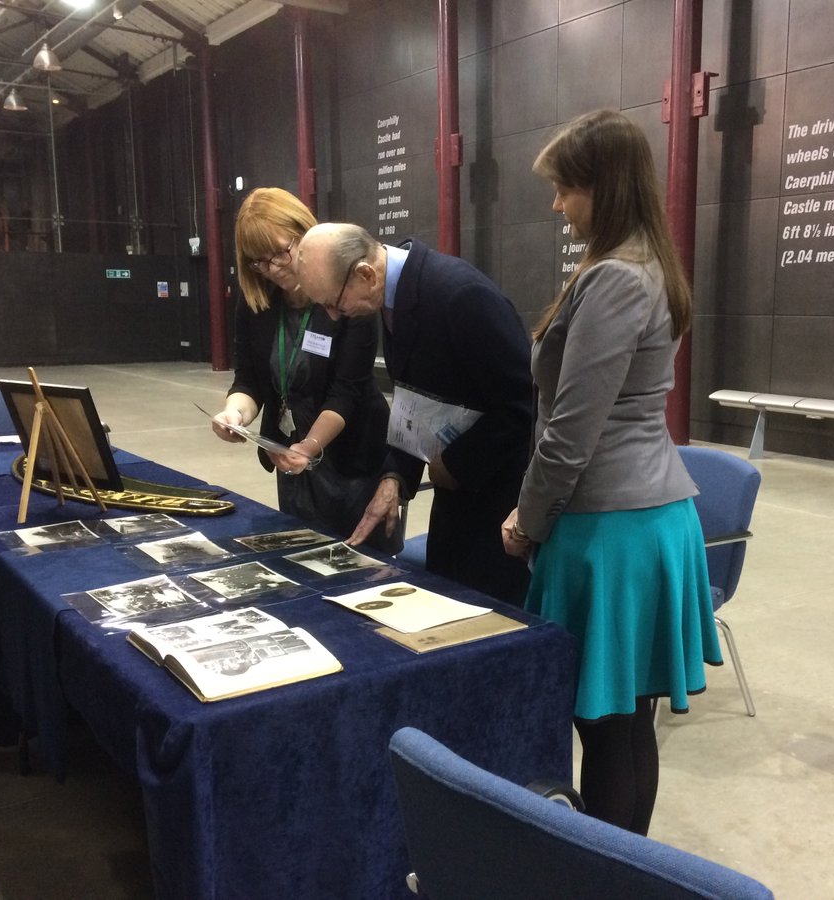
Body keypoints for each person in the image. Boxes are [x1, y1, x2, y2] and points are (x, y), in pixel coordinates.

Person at [500, 109, 723, 834]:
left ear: (605, 187)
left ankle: (611, 873)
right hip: (642, 521)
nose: (556, 205)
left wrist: (527, 520)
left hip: (611, 531)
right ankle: (623, 869)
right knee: (625, 726)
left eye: (565, 189)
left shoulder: (619, 280)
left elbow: (570, 433)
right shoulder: (642, 265)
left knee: (609, 730)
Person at [297, 222, 533, 605]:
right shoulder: (393, 300)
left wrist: (455, 463)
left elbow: (524, 404)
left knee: (487, 622)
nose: (334, 316)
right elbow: (419, 401)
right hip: (455, 500)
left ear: (366, 274)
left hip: (498, 504)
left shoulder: (460, 295)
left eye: (334, 303)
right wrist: (395, 477)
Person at [211, 188, 396, 551]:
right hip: (292, 457)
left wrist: (309, 445)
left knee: (358, 565)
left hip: (352, 458)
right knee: (301, 558)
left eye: (281, 252)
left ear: (304, 232)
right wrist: (234, 413)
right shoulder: (256, 302)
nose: (274, 268)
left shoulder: (346, 293)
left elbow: (346, 393)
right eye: (259, 261)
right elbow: (249, 379)